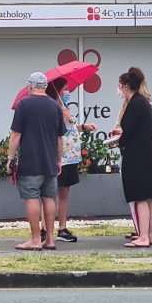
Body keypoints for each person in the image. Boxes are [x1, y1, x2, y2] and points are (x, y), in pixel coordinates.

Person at [6, 71, 64, 251]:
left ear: (30, 86)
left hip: (31, 161)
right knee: (49, 198)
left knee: (31, 198)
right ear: (45, 86)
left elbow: (16, 134)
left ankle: (35, 240)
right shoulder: (55, 107)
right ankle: (51, 239)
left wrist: (10, 157)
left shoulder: (24, 104)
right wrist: (59, 160)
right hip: (50, 162)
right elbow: (60, 138)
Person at [111, 67, 152, 248]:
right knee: (149, 198)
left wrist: (116, 140)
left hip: (138, 157)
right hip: (149, 156)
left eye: (120, 85)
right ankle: (150, 234)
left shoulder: (135, 104)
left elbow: (129, 132)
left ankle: (143, 237)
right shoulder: (142, 103)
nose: (118, 89)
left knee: (141, 197)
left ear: (126, 86)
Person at [47, 77, 96, 243]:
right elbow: (51, 128)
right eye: (65, 90)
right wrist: (62, 119)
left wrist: (83, 127)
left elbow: (70, 128)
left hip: (71, 156)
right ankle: (46, 229)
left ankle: (62, 227)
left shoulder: (64, 107)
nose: (67, 93)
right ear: (58, 91)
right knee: (50, 193)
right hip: (59, 155)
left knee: (65, 192)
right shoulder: (51, 107)